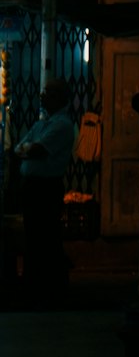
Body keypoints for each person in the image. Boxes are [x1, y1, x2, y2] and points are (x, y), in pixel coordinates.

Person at [14, 76, 76, 302]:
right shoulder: (42, 123)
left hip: (46, 189)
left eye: (47, 93)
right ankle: (37, 285)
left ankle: (50, 288)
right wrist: (26, 149)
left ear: (59, 97)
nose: (42, 96)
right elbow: (20, 147)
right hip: (32, 187)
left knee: (45, 237)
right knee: (34, 237)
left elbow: (36, 150)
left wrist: (27, 149)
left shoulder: (62, 125)